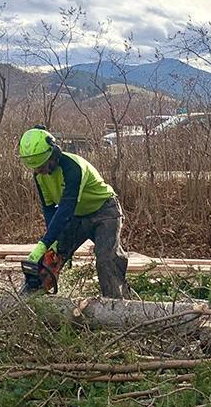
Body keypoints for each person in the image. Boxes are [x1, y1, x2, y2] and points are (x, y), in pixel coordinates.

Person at [18, 125, 129, 298]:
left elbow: (65, 208)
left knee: (107, 258)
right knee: (49, 259)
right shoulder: (39, 175)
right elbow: (49, 208)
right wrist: (52, 242)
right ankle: (30, 303)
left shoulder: (73, 167)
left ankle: (118, 306)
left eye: (42, 166)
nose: (40, 171)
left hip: (104, 211)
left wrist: (44, 242)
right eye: (36, 168)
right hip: (76, 216)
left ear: (52, 155)